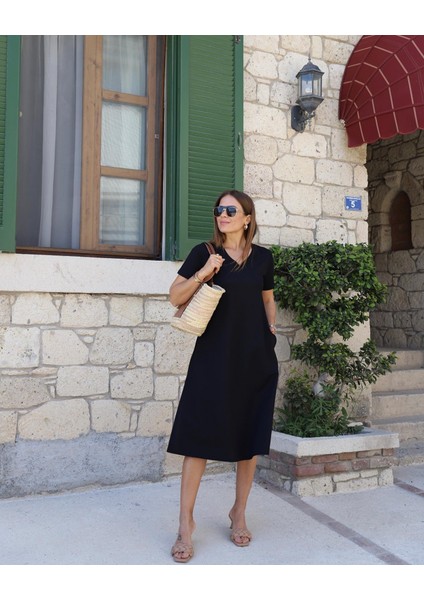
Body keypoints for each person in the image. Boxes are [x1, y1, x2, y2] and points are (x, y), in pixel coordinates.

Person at [167, 190, 279, 563]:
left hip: (255, 358)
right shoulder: (204, 253)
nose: (223, 214)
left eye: (231, 210)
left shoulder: (263, 258)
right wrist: (203, 273)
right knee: (197, 437)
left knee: (250, 437)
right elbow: (174, 296)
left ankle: (239, 513)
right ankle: (185, 525)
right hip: (213, 357)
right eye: (219, 209)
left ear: (247, 218)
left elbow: (267, 298)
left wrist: (271, 327)